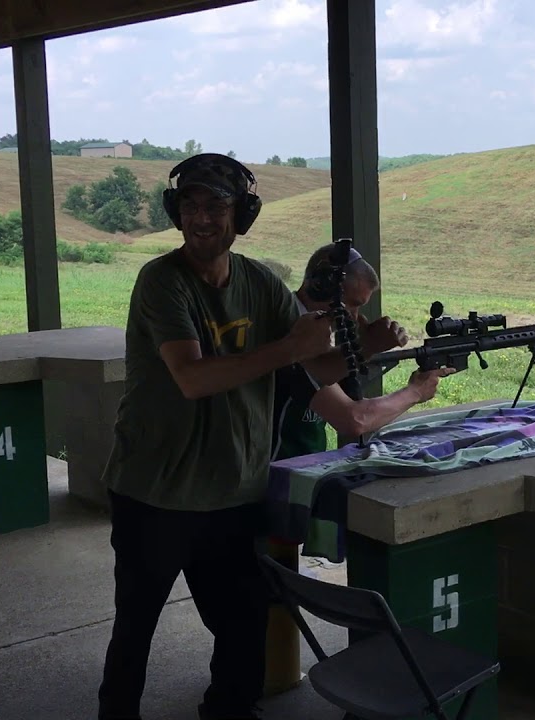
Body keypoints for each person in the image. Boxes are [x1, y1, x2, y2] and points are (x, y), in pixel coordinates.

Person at [95, 152, 405, 720]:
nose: (202, 218)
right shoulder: (162, 281)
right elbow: (192, 378)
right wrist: (291, 349)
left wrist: (370, 350)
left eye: (217, 205)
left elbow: (305, 373)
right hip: (154, 495)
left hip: (233, 495)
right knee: (134, 630)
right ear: (176, 213)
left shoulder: (261, 283)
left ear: (243, 215)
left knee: (242, 630)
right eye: (190, 205)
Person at [271, 243, 454, 461]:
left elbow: (332, 377)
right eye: (351, 304)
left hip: (299, 467)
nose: (355, 316)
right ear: (321, 285)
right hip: (271, 476)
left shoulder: (311, 333)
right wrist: (416, 391)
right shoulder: (290, 333)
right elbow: (354, 419)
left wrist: (365, 347)